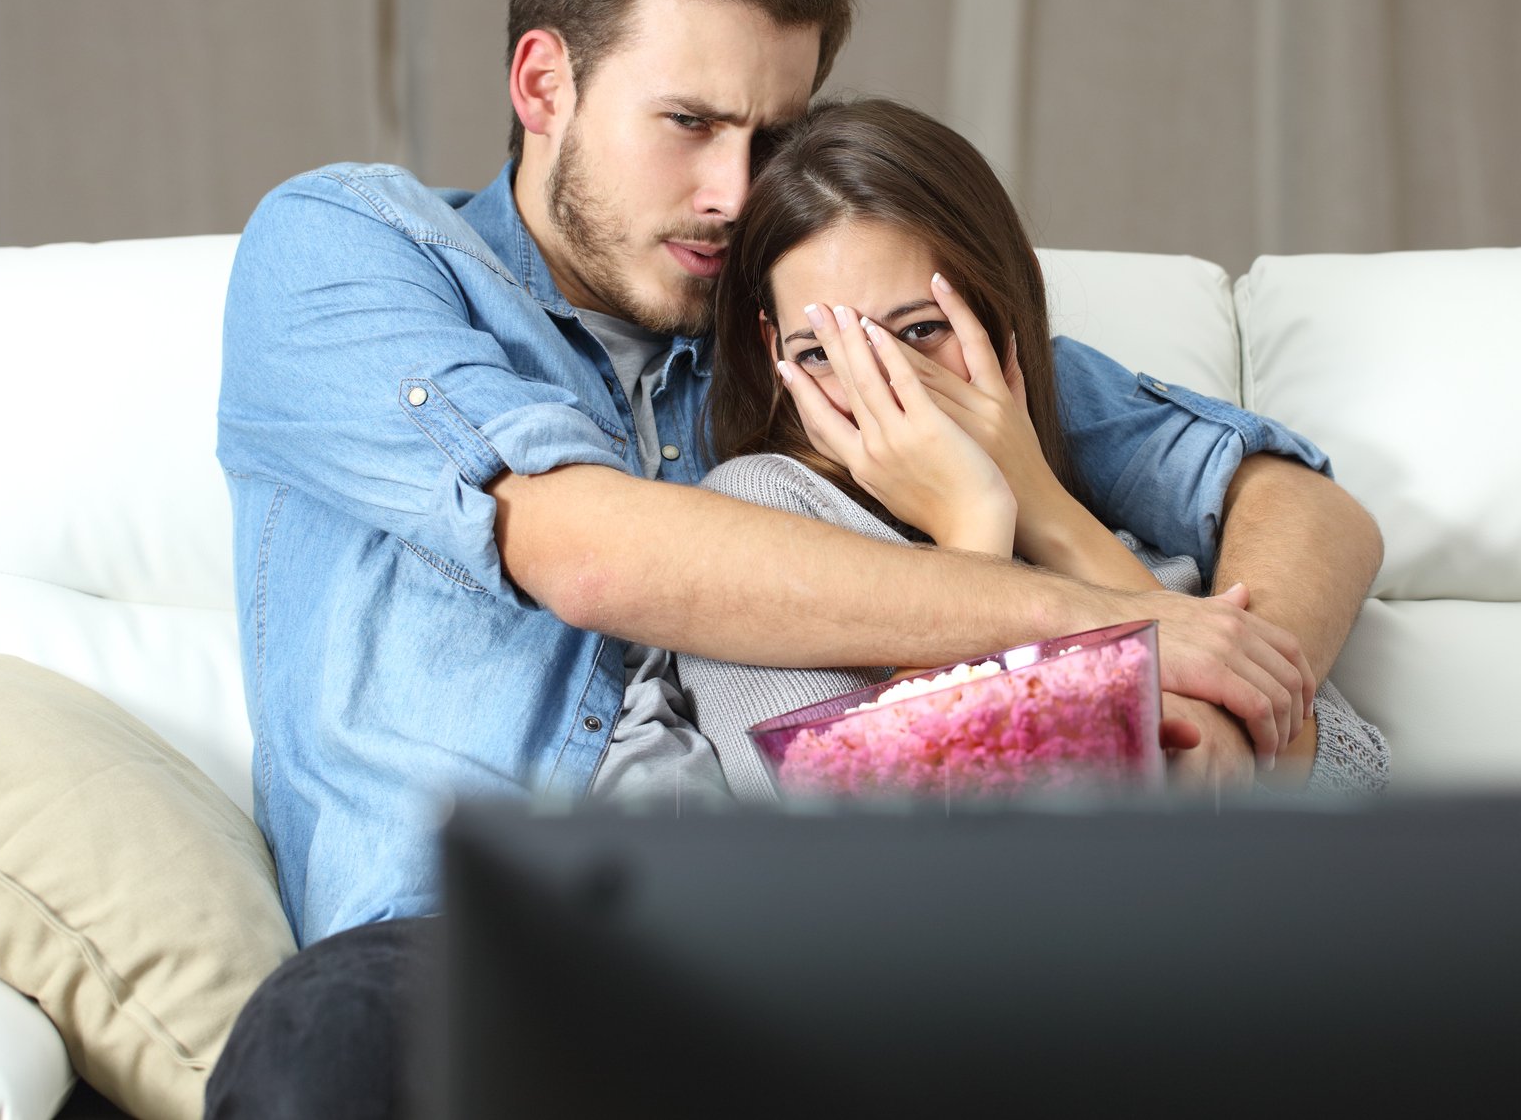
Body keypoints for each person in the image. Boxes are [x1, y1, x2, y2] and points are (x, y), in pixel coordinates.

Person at [207, 0, 1383, 1117]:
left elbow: (1287, 498)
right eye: (690, 123)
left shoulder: (815, 323)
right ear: (544, 82)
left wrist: (1229, 708)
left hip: (771, 940)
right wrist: (1123, 626)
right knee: (325, 1046)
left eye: (774, 135)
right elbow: (585, 549)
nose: (732, 191)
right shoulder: (356, 248)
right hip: (461, 943)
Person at [588, 97, 1388, 807]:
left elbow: (1354, 777)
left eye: (919, 331)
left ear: (998, 312)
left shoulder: (1089, 461)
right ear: (774, 351)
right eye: (826, 350)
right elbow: (859, 827)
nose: (887, 388)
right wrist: (971, 525)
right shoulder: (761, 508)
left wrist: (1041, 506)